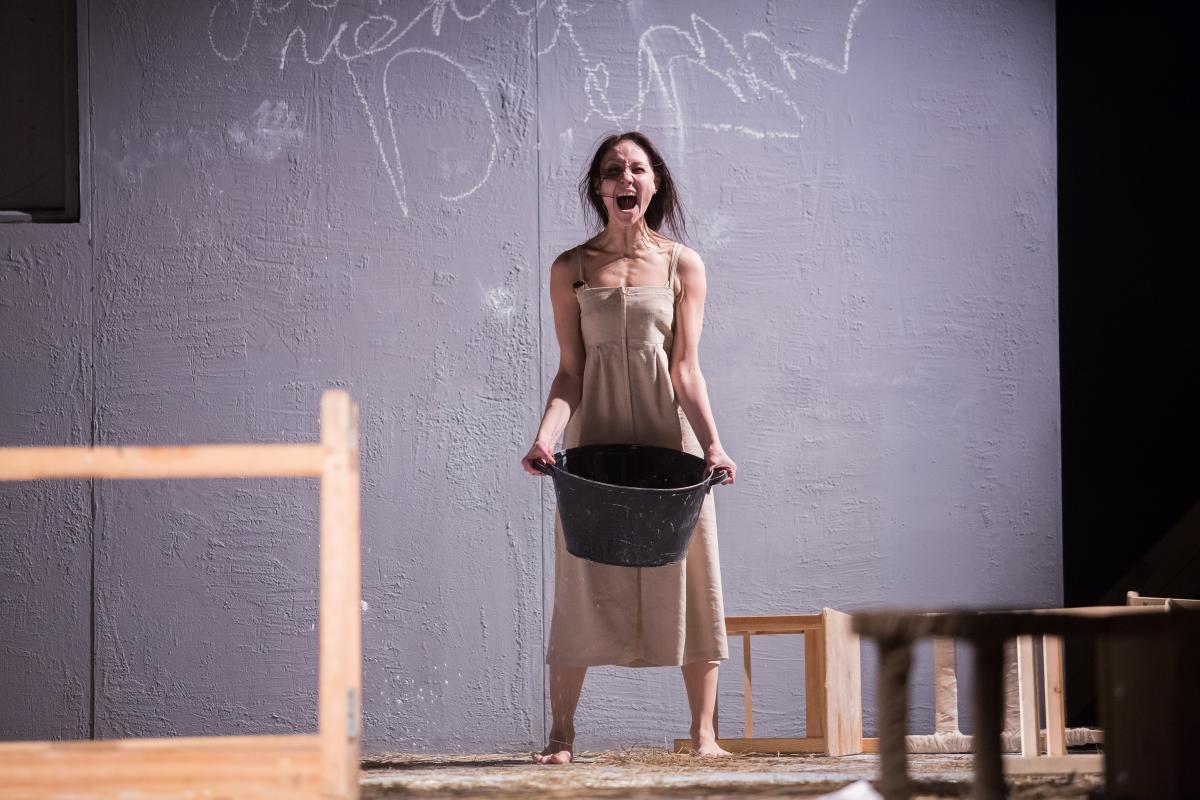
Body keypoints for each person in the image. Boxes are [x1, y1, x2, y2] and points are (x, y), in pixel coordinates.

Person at [521, 131, 737, 764]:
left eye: (638, 169)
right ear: (599, 187)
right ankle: (561, 737)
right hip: (597, 441)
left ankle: (704, 736)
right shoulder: (571, 268)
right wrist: (544, 439)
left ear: (654, 183)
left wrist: (714, 445)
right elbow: (570, 372)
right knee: (581, 575)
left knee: (693, 570)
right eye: (614, 170)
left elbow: (686, 369)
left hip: (669, 438)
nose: (626, 178)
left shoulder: (682, 265)